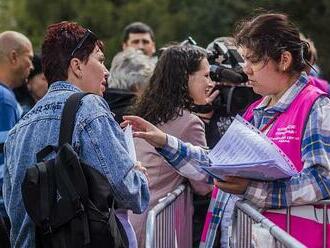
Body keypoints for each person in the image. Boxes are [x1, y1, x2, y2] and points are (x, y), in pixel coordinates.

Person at [122, 13, 330, 247]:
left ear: (284, 60)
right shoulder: (256, 109)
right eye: (244, 60)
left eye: (253, 61)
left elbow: (322, 181)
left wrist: (252, 189)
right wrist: (164, 142)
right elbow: (218, 167)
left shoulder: (315, 106)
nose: (246, 70)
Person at [3, 21, 149, 247]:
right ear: (77, 66)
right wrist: (137, 173)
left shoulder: (18, 129)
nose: (107, 71)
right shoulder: (90, 108)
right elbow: (132, 194)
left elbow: (16, 214)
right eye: (100, 60)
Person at [128, 45, 215, 248]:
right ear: (186, 78)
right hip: (157, 229)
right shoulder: (190, 123)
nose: (210, 83)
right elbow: (205, 185)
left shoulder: (146, 112)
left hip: (134, 220)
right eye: (206, 76)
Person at [0, 31, 34, 234]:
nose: (31, 66)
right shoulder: (4, 99)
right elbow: (4, 161)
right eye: (28, 58)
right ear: (13, 57)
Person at [103, 48, 155, 123]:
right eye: (148, 87)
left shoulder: (98, 110)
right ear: (136, 86)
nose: (149, 92)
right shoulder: (141, 118)